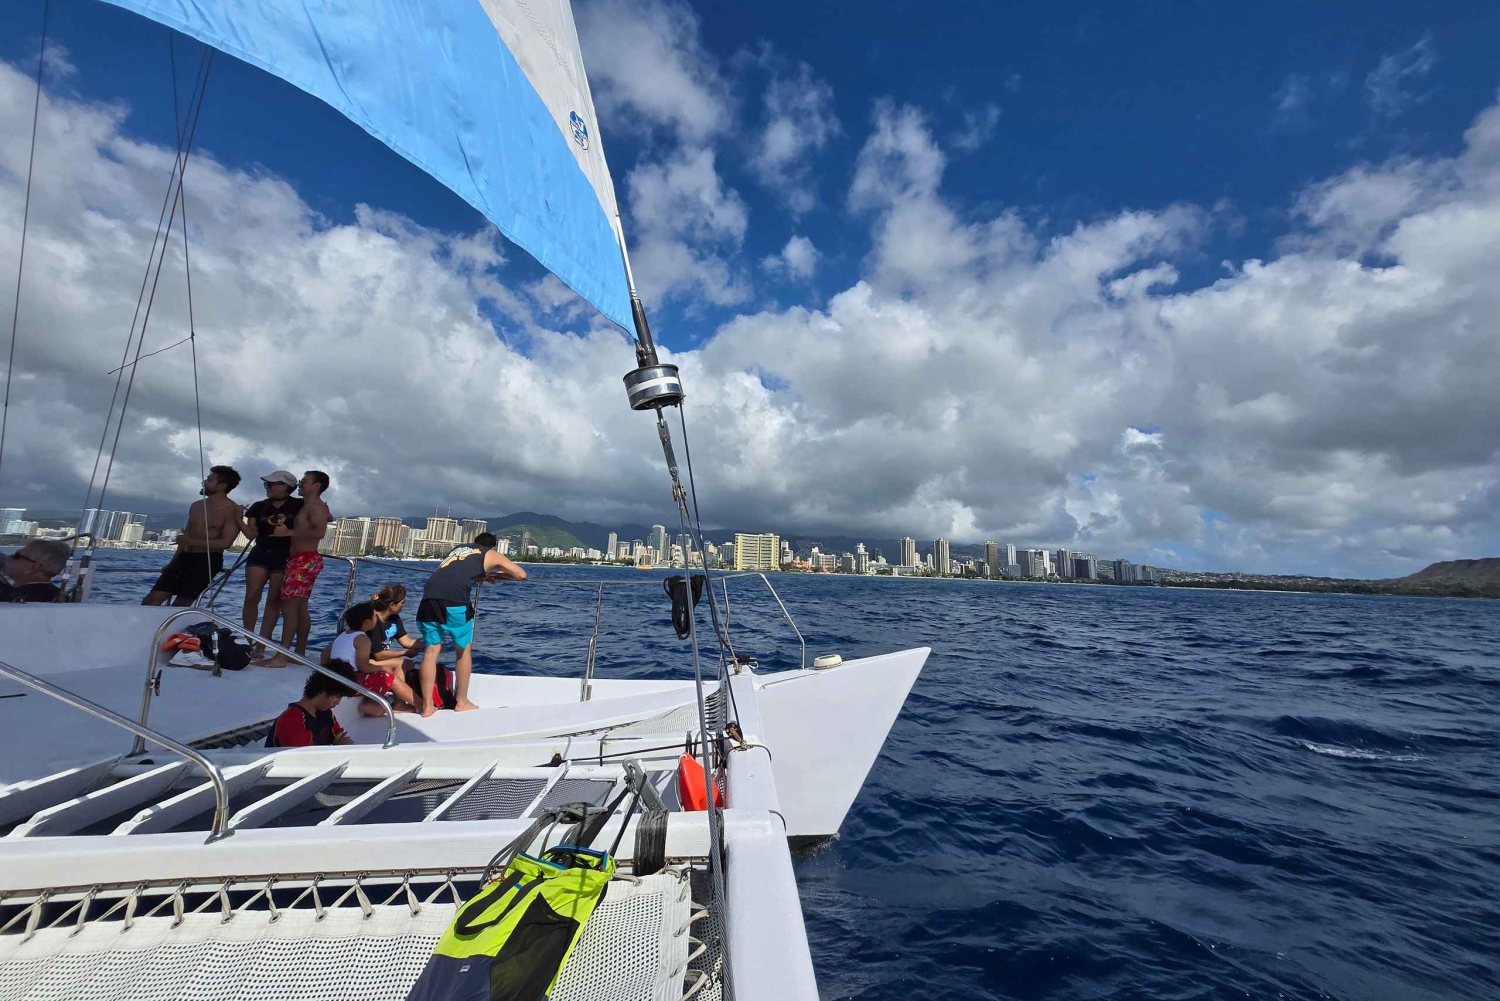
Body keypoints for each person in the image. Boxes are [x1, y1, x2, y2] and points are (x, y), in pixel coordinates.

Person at [415, 532, 526, 717]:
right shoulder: (489, 553)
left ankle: (427, 707)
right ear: (492, 547)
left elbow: (458, 571)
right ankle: (462, 701)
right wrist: (497, 574)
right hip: (454, 602)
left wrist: (481, 575)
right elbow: (521, 574)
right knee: (463, 651)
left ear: (474, 543)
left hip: (428, 598)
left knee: (431, 651)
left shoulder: (458, 549)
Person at [257, 470, 331, 668]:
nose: (300, 484)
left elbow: (320, 532)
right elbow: (324, 520)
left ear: (316, 486)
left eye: (305, 481)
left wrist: (288, 532)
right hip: (304, 560)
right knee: (300, 607)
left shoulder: (315, 506)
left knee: (289, 608)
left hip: (303, 561)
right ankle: (299, 652)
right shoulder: (313, 506)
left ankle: (282, 656)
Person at [144, 465, 244, 606]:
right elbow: (185, 537)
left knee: (181, 604)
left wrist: (190, 541)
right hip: (184, 557)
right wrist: (172, 563)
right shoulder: (196, 506)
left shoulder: (232, 510)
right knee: (152, 599)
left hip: (206, 561)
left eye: (209, 480)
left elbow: (225, 543)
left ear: (222, 486)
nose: (204, 482)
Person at [241, 471, 304, 653]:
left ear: (285, 487)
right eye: (266, 484)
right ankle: (246, 640)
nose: (267, 487)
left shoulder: (300, 505)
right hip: (260, 553)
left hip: (285, 556)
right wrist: (238, 518)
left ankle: (261, 645)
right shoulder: (258, 506)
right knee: (251, 596)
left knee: (274, 601)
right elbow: (251, 534)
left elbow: (319, 519)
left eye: (271, 484)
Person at [324, 601, 419, 716]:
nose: (377, 618)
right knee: (390, 678)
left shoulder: (342, 635)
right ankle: (420, 705)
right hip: (350, 683)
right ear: (367, 622)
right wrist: (384, 668)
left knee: (375, 676)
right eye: (374, 616)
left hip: (337, 678)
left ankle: (373, 705)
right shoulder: (362, 638)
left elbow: (324, 655)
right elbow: (364, 667)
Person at [266, 659, 357, 747]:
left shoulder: (325, 713)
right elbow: (306, 756)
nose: (338, 703)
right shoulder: (292, 720)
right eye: (337, 696)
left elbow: (341, 739)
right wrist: (338, 746)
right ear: (322, 690)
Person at [0, 539, 69, 602]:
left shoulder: (10, 597)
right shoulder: (59, 596)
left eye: (16, 556)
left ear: (32, 567)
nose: (8, 557)